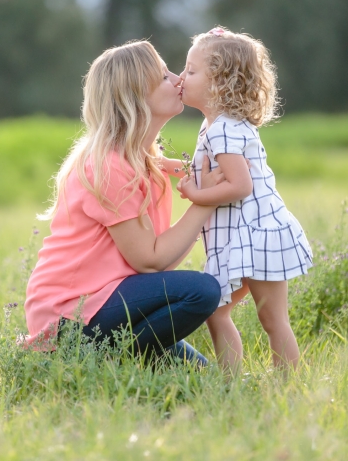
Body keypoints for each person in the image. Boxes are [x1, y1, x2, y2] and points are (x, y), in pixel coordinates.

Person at [22, 40, 226, 365]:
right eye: (164, 77)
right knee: (202, 291)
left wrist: (207, 185)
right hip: (72, 313)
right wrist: (206, 201)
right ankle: (90, 360)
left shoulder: (144, 161)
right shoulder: (108, 166)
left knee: (201, 375)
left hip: (108, 300)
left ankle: (113, 361)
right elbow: (150, 261)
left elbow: (159, 263)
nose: (178, 79)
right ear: (135, 97)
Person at [177, 27, 314, 375]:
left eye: (191, 71)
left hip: (256, 235)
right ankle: (230, 382)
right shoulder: (216, 126)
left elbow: (240, 185)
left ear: (219, 84)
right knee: (217, 311)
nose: (181, 77)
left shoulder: (223, 129)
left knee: (272, 318)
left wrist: (195, 195)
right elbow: (213, 171)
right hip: (243, 237)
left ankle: (287, 383)